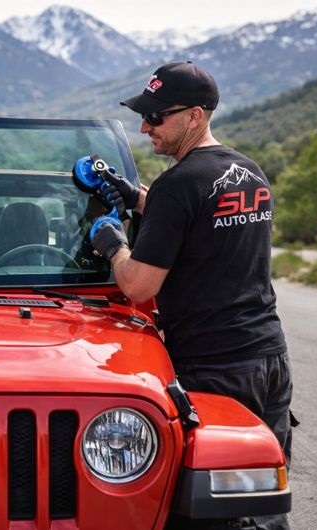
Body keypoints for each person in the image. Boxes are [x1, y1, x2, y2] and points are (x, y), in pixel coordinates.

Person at [90, 61, 293, 530]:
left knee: (208, 514)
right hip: (268, 360)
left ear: (194, 116)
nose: (145, 127)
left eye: (156, 117)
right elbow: (201, 219)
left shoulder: (178, 185)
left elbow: (138, 285)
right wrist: (139, 197)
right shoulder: (250, 173)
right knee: (259, 498)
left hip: (212, 366)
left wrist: (113, 245)